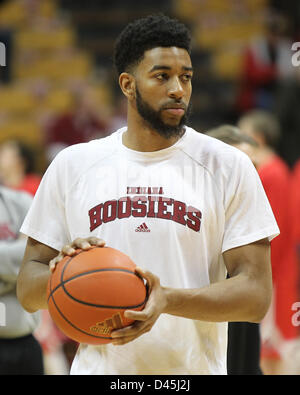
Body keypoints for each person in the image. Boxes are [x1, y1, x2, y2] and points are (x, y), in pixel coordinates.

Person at [17, 14, 279, 375]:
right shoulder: (73, 165)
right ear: (127, 84)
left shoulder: (228, 166)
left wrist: (167, 299)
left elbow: (255, 297)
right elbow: (27, 289)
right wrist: (68, 272)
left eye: (186, 77)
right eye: (162, 76)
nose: (178, 89)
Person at [238, 110, 299, 374]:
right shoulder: (272, 169)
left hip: (274, 266)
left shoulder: (272, 172)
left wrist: (258, 269)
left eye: (243, 135)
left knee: (273, 341)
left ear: (257, 138)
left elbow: (272, 229)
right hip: (274, 264)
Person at [205, 125, 262, 375]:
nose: (248, 178)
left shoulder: (252, 236)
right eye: (239, 167)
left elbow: (248, 349)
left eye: (254, 168)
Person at [0, 185, 44, 375]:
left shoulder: (22, 201)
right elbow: (24, 260)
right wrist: (18, 271)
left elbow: (39, 259)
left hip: (26, 342)